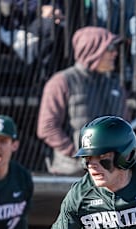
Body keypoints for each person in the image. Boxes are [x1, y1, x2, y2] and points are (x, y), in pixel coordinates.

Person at [37, 26, 129, 176]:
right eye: (110, 48)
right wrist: (78, 154)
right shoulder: (62, 81)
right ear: (92, 49)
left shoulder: (115, 85)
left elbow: (125, 127)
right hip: (71, 175)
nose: (115, 53)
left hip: (110, 175)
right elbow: (47, 127)